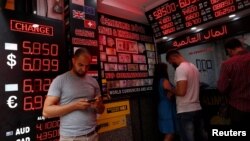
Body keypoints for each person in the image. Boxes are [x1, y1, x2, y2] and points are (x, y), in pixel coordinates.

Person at [43, 48, 105, 141]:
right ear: (73, 60)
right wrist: (75, 106)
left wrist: (98, 106)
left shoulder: (93, 82)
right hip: (70, 138)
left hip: (93, 135)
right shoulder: (60, 80)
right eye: (80, 65)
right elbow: (46, 111)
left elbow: (101, 110)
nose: (84, 69)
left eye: (87, 66)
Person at [165, 49, 208, 141]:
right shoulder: (193, 67)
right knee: (200, 137)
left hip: (185, 111)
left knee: (187, 138)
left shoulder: (180, 69)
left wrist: (171, 90)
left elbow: (181, 92)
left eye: (171, 62)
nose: (172, 64)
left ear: (173, 57)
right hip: (197, 108)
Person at [217, 38, 250, 128]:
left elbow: (222, 88)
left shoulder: (228, 64)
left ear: (229, 50)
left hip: (238, 109)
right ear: (241, 46)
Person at [153, 63, 177, 141]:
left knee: (169, 132)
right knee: (170, 132)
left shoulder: (156, 81)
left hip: (161, 106)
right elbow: (171, 91)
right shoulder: (164, 80)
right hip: (167, 108)